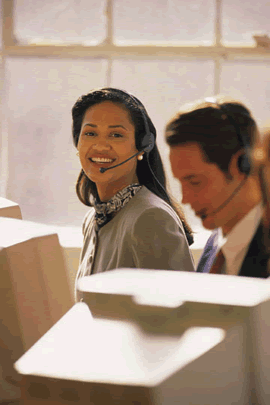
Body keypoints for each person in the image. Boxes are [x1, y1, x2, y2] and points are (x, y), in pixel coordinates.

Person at [72, 88, 195, 296]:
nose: (100, 145)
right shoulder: (94, 219)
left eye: (116, 134)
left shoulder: (151, 218)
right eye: (90, 133)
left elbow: (176, 316)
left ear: (141, 147)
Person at [165, 96, 269, 278]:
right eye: (180, 182)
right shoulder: (216, 242)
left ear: (242, 164)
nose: (185, 198)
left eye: (195, 182)